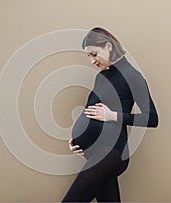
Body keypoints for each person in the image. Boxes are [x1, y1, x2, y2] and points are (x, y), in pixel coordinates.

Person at [61, 27, 159, 202]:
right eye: (89, 56)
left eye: (94, 54)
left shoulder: (133, 77)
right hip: (95, 152)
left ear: (108, 46)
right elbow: (89, 110)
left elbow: (152, 118)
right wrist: (78, 139)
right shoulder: (102, 77)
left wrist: (112, 115)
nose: (92, 61)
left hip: (112, 153)